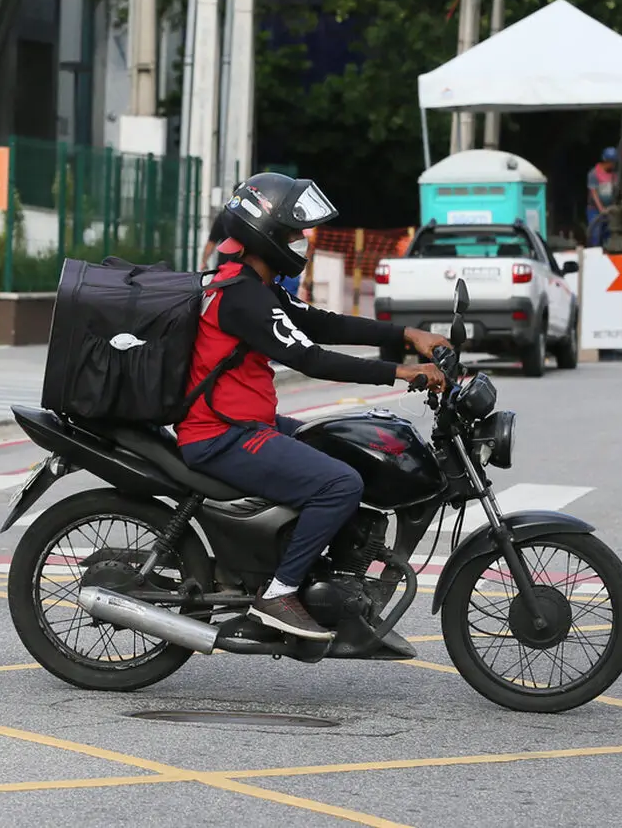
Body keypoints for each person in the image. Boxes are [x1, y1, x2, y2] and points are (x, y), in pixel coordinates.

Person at [176, 173, 449, 641]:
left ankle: (321, 574)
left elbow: (319, 322)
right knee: (340, 483)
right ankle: (279, 593)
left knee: (342, 447)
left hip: (244, 422)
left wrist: (406, 335)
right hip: (221, 434)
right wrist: (401, 372)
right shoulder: (240, 295)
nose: (301, 243)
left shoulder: (253, 285)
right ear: (265, 236)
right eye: (292, 234)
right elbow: (308, 357)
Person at [586, 147, 618, 247]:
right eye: (611, 162)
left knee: (608, 234)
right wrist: (601, 209)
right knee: (595, 234)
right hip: (595, 210)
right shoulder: (594, 174)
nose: (613, 165)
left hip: (609, 209)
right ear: (606, 161)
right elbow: (594, 193)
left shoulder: (614, 175)